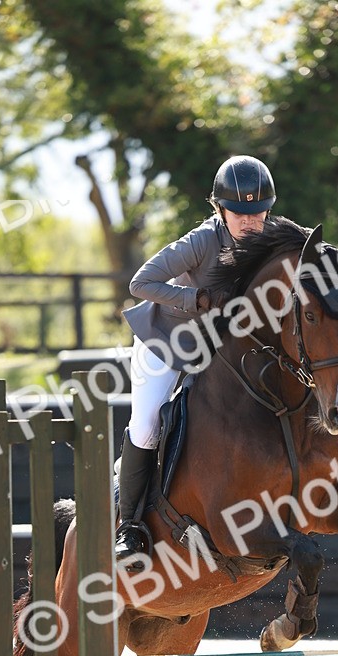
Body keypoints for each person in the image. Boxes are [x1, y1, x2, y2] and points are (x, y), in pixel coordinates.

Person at [116, 154, 277, 566]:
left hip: (216, 348)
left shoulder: (269, 238)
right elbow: (140, 283)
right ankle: (129, 526)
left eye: (257, 212)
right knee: (148, 424)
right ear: (220, 209)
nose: (249, 221)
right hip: (166, 342)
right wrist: (196, 299)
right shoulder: (202, 241)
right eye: (239, 212)